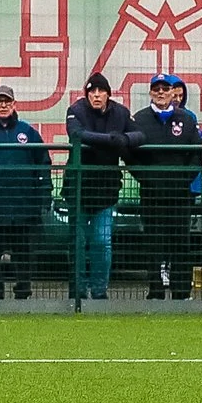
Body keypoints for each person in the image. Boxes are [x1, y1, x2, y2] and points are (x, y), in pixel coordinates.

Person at [0, 86, 49, 299]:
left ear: (14, 104)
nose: (3, 105)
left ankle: (23, 292)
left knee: (24, 255)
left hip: (24, 209)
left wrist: (43, 198)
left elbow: (43, 166)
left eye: (7, 101)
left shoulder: (29, 133)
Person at [62, 72, 137, 301]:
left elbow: (138, 134)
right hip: (78, 189)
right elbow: (77, 134)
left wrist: (125, 140)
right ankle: (78, 290)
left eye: (100, 91)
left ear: (107, 94)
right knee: (78, 242)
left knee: (102, 243)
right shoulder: (75, 110)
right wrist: (111, 140)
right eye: (92, 91)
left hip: (106, 191)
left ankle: (99, 291)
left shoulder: (120, 112)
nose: (96, 95)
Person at [130, 75, 202, 300]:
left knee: (181, 243)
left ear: (174, 93)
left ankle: (181, 292)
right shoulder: (139, 119)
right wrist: (147, 179)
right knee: (153, 243)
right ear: (151, 92)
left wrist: (184, 179)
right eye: (156, 89)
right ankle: (155, 291)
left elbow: (197, 152)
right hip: (152, 194)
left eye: (165, 89)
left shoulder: (186, 119)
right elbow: (131, 155)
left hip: (180, 194)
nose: (161, 92)